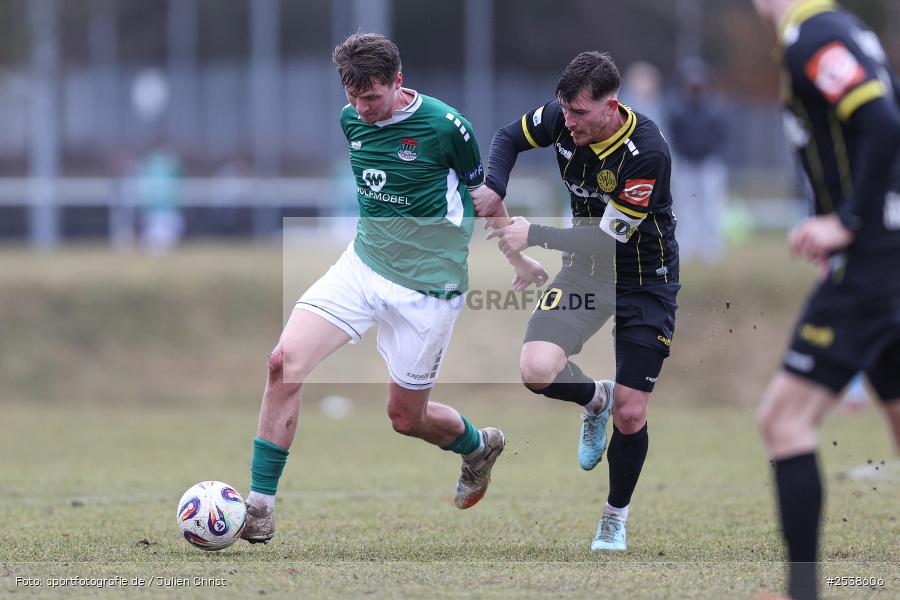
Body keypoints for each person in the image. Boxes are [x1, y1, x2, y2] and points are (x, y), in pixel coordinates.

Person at [241, 32, 548, 543]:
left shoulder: (448, 127)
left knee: (406, 419)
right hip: (361, 267)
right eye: (352, 97)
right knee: (282, 365)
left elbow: (486, 201)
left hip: (429, 289)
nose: (361, 109)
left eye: (372, 97)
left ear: (398, 82)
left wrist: (519, 257)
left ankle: (477, 447)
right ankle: (258, 507)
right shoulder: (350, 120)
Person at [473, 51, 679, 552]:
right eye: (565, 111)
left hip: (642, 278)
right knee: (536, 369)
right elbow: (506, 137)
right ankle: (595, 399)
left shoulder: (646, 152)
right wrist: (494, 186)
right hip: (586, 274)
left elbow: (613, 239)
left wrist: (534, 233)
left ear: (612, 105)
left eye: (580, 114)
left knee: (632, 415)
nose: (568, 122)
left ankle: (614, 518)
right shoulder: (563, 118)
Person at [751, 1, 900, 599]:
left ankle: (803, 593)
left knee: (783, 420)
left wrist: (851, 221)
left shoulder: (812, 35)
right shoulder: (838, 31)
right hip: (885, 254)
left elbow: (884, 122)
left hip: (872, 266)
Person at [666, 57, 729, 264]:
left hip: (709, 164)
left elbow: (721, 134)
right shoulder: (676, 107)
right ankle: (686, 243)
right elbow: (673, 135)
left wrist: (709, 153)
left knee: (711, 206)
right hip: (685, 164)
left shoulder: (715, 106)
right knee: (685, 205)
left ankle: (711, 245)